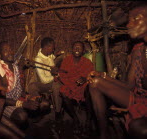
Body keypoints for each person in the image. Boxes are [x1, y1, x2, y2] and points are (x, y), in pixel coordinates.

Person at [87, 4, 147, 139]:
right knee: (94, 82)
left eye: (136, 18)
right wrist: (103, 76)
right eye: (129, 20)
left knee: (139, 128)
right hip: (140, 99)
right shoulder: (138, 51)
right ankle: (104, 134)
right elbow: (129, 86)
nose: (129, 24)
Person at [0, 42, 47, 129]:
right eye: (6, 50)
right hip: (5, 104)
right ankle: (12, 126)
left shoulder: (16, 67)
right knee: (22, 116)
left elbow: (20, 91)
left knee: (44, 104)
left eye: (11, 50)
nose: (10, 52)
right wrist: (23, 104)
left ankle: (30, 122)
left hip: (18, 100)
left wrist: (29, 97)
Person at [58, 41, 93, 129]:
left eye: (79, 48)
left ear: (83, 51)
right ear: (72, 50)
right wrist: (71, 82)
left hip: (83, 86)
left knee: (89, 89)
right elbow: (62, 74)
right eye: (75, 47)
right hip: (70, 84)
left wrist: (85, 79)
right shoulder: (66, 60)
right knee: (63, 91)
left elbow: (91, 74)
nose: (77, 49)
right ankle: (75, 118)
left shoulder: (87, 62)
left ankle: (89, 119)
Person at [28, 37, 62, 120]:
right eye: (52, 48)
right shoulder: (38, 60)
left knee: (56, 85)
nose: (53, 49)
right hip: (44, 84)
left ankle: (58, 112)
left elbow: (50, 59)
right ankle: (38, 110)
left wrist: (56, 56)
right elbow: (43, 80)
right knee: (33, 86)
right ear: (47, 48)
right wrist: (55, 76)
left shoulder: (49, 55)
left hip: (51, 82)